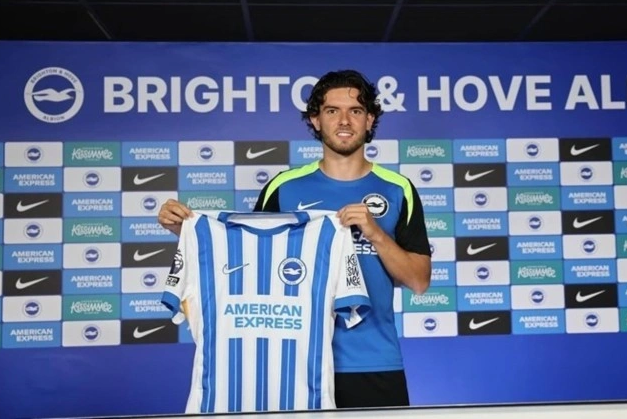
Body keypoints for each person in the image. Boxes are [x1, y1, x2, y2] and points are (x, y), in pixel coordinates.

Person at [158, 69, 432, 408]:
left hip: (372, 361)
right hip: (295, 363)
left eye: (356, 111)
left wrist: (375, 233)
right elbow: (247, 263)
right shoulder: (284, 188)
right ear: (316, 120)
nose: (344, 121)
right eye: (332, 111)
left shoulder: (398, 189)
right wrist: (185, 231)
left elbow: (419, 281)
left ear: (370, 120)